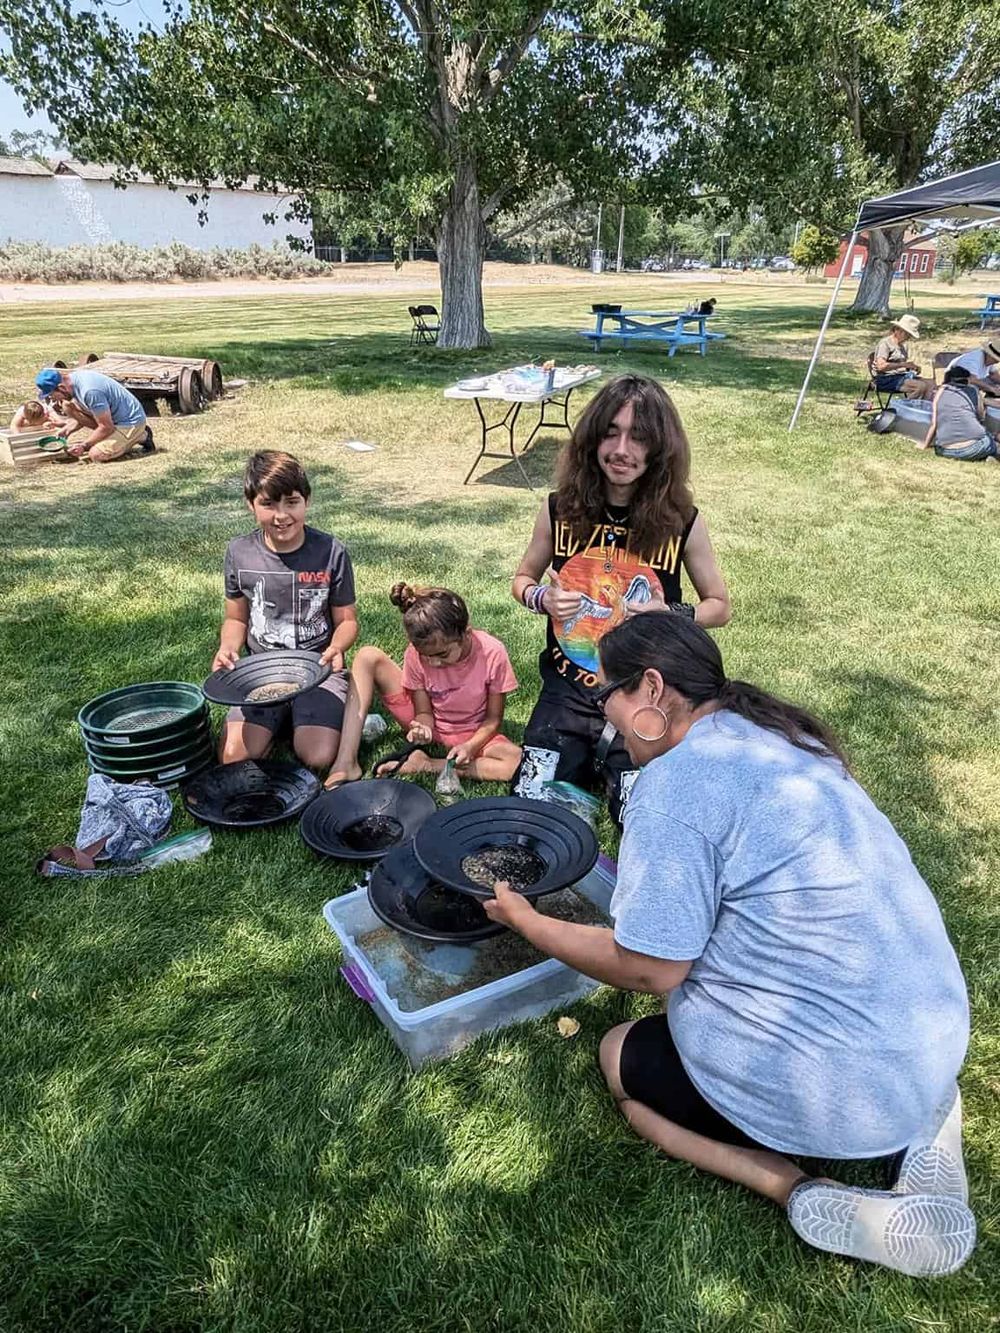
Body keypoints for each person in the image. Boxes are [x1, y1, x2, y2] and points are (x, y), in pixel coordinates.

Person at [484, 612, 975, 1278]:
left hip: (835, 1085)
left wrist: (527, 920)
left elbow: (652, 969)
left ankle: (796, 1188)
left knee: (620, 1056)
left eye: (610, 699)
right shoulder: (782, 737)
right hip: (931, 1032)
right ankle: (921, 1119)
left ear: (652, 688)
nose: (609, 721)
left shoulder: (678, 782)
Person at [510, 373, 730, 823]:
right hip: (567, 692)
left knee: (644, 816)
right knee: (532, 807)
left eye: (638, 437)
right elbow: (521, 578)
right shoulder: (559, 509)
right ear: (592, 441)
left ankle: (610, 765)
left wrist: (670, 613)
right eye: (610, 433)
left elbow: (719, 605)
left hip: (644, 697)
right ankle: (582, 757)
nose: (621, 450)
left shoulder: (682, 522)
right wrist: (540, 599)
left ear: (659, 448)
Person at [213, 451, 358, 770]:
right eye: (268, 504)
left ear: (306, 500)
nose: (281, 515)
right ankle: (277, 720)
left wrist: (337, 647)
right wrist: (227, 647)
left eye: (291, 502)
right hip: (263, 670)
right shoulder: (239, 553)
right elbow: (236, 618)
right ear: (250, 503)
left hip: (318, 668)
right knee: (233, 758)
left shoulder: (331, 551)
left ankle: (306, 716)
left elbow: (346, 621)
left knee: (317, 757)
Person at [324, 582, 521, 786]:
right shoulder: (416, 654)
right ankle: (346, 761)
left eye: (442, 654)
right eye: (425, 656)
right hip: (433, 724)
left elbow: (493, 720)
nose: (434, 663)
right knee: (367, 656)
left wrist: (471, 746)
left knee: (518, 764)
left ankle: (427, 764)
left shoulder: (492, 652)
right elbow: (423, 712)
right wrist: (423, 727)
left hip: (471, 731)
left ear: (466, 634)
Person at [34, 366, 152, 462]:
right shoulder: (73, 381)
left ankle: (142, 436)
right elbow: (89, 414)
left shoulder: (90, 392)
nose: (53, 399)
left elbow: (106, 426)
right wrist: (67, 430)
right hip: (111, 419)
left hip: (130, 422)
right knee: (67, 406)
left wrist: (85, 446)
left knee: (96, 455)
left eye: (51, 395)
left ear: (61, 387)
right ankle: (116, 438)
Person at [919, 367, 999, 462]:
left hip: (944, 450)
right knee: (992, 439)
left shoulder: (940, 391)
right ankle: (989, 456)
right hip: (972, 448)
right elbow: (981, 417)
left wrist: (925, 445)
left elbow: (934, 424)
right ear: (967, 379)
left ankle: (983, 456)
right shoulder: (973, 390)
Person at [870, 314, 935, 401]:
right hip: (886, 378)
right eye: (907, 335)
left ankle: (921, 408)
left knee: (932, 384)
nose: (908, 338)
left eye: (910, 336)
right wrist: (903, 364)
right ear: (898, 330)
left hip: (901, 376)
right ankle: (902, 407)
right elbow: (881, 366)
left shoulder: (903, 346)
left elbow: (903, 366)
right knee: (920, 386)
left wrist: (913, 368)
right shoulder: (885, 344)